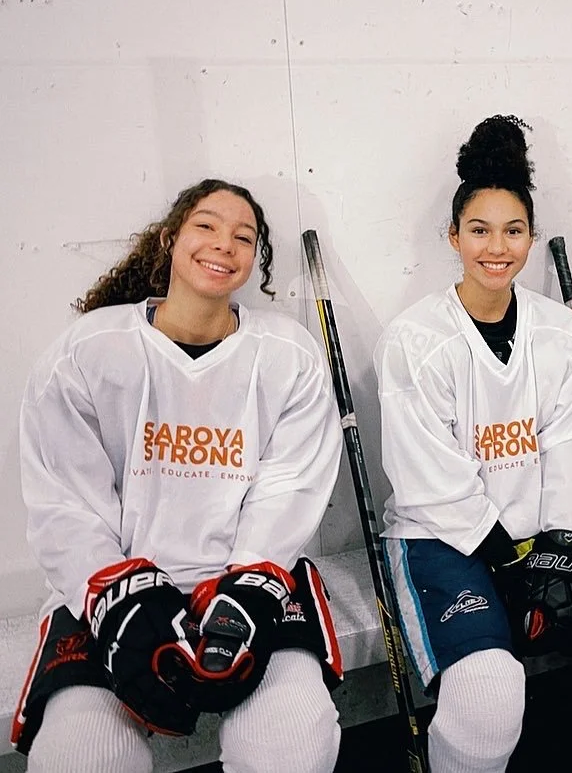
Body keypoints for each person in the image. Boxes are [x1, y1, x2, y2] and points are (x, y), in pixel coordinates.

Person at [374, 115, 572, 773]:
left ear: (532, 237)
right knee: (490, 702)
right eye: (480, 230)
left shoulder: (560, 332)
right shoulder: (415, 337)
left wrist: (562, 543)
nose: (498, 247)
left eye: (513, 230)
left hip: (555, 528)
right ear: (453, 235)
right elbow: (422, 471)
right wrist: (504, 554)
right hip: (448, 534)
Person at [12, 179, 345, 773]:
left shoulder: (288, 356)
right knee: (80, 758)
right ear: (170, 239)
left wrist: (245, 590)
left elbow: (289, 486)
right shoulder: (87, 352)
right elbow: (65, 503)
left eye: (244, 237)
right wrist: (120, 601)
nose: (224, 244)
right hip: (114, 590)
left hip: (246, 583)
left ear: (254, 260)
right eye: (207, 226)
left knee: (296, 743)